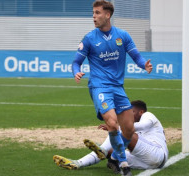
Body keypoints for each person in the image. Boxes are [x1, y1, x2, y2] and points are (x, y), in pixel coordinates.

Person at [71, 1, 152, 175]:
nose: (94, 16)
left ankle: (115, 156)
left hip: (118, 88)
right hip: (99, 87)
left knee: (129, 129)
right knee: (112, 123)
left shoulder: (122, 35)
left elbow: (135, 56)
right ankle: (123, 164)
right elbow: (76, 62)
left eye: (97, 13)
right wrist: (76, 72)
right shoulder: (89, 38)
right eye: (93, 13)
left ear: (107, 15)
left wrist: (143, 64)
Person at [53, 100, 168, 174]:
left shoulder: (148, 115)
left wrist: (116, 126)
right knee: (109, 150)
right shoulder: (131, 123)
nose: (128, 115)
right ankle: (78, 163)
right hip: (145, 162)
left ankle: (104, 149)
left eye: (131, 112)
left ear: (141, 112)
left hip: (157, 153)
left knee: (125, 132)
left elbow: (142, 126)